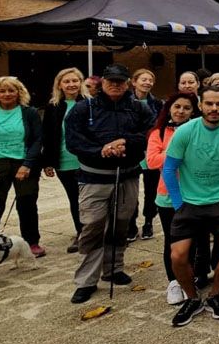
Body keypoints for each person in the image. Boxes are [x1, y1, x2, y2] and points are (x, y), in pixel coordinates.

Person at [65, 63, 156, 303]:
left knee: (121, 224)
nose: (115, 85)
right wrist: (101, 149)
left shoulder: (139, 108)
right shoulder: (84, 109)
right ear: (102, 83)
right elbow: (74, 141)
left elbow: (150, 135)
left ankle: (113, 268)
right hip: (94, 177)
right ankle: (86, 280)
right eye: (111, 81)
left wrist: (126, 142)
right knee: (93, 225)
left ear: (128, 83)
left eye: (120, 81)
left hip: (127, 174)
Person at [162, 85, 219, 326]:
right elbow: (169, 168)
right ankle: (192, 298)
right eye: (209, 104)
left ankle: (215, 295)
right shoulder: (185, 131)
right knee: (178, 255)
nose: (214, 108)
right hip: (189, 202)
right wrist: (179, 201)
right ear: (200, 105)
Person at [0, 76, 44, 256]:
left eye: (12, 90)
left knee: (27, 203)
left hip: (24, 165)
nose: (7, 94)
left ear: (19, 92)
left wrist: (27, 165)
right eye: (2, 91)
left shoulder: (30, 113)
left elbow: (37, 140)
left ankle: (31, 242)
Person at [146, 92, 199, 305]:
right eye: (177, 106)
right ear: (169, 108)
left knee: (192, 240)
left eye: (186, 108)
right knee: (172, 240)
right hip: (167, 194)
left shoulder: (198, 131)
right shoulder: (158, 133)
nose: (181, 111)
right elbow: (152, 161)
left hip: (194, 193)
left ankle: (190, 278)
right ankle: (173, 281)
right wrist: (175, 151)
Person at [41, 68, 88, 255]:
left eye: (75, 80)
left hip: (86, 160)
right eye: (66, 81)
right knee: (74, 199)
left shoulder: (89, 103)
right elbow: (47, 135)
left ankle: (95, 231)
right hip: (64, 160)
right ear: (59, 84)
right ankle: (81, 233)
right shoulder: (53, 106)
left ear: (81, 82)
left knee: (90, 199)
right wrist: (47, 162)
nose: (71, 85)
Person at [129, 69, 163, 242]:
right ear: (134, 82)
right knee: (130, 190)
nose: (147, 83)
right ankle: (131, 223)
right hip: (132, 151)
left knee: (151, 190)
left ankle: (148, 221)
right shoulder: (124, 102)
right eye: (143, 79)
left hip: (150, 150)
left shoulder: (157, 104)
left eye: (150, 80)